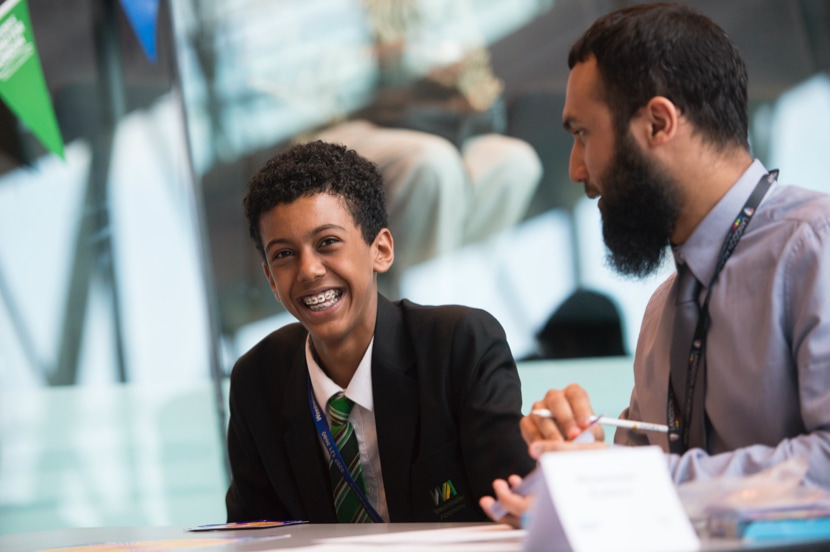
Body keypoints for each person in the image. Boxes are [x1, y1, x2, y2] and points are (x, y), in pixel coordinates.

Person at [480, 1, 830, 522]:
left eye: (582, 134)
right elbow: (645, 479)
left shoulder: (815, 249)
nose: (578, 170)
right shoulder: (665, 306)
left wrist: (641, 480)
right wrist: (573, 469)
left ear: (658, 123)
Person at [226, 140, 534, 523]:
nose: (308, 270)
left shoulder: (459, 345)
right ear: (271, 279)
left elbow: (517, 502)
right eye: (284, 254)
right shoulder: (257, 382)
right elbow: (253, 532)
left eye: (327, 243)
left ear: (381, 250)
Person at [315, 0, 542, 297]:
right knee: (431, 164)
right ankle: (419, 311)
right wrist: (397, 57)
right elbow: (321, 68)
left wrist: (458, 80)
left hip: (431, 124)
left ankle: (464, 303)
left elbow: (477, 75)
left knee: (514, 163)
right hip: (343, 121)